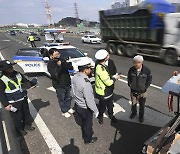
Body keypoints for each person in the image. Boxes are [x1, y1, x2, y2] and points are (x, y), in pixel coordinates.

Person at [0, 60, 35, 136]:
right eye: (9, 67)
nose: (11, 68)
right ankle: (19, 129)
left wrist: (31, 84)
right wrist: (6, 104)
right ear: (4, 70)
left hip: (23, 98)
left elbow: (25, 81)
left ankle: (26, 125)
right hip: (13, 102)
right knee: (17, 117)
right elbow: (1, 93)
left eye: (11, 66)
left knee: (26, 113)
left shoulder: (18, 74)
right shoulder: (2, 79)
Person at [71, 58, 99, 144]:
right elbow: (89, 100)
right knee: (88, 124)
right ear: (86, 69)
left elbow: (72, 90)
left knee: (83, 122)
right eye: (90, 68)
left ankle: (85, 134)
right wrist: (95, 111)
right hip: (85, 108)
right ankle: (88, 139)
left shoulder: (75, 77)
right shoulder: (86, 83)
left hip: (77, 105)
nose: (90, 70)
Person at [95, 49, 120, 125]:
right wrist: (115, 78)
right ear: (105, 58)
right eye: (107, 55)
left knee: (110, 104)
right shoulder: (101, 68)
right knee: (102, 106)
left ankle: (111, 115)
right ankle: (100, 116)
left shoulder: (102, 65)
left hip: (108, 91)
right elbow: (108, 82)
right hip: (104, 91)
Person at [47, 48, 74, 118]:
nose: (58, 55)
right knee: (61, 98)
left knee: (68, 97)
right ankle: (64, 111)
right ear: (51, 56)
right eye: (56, 54)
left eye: (58, 54)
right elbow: (55, 74)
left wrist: (65, 63)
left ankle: (67, 108)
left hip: (67, 82)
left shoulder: (61, 60)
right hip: (59, 84)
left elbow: (71, 67)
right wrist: (59, 66)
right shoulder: (50, 64)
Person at [128, 55, 152, 123]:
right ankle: (134, 113)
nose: (135, 64)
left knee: (142, 105)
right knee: (133, 104)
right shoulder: (131, 69)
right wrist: (130, 85)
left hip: (142, 92)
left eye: (137, 63)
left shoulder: (147, 70)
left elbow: (149, 80)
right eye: (134, 62)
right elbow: (129, 78)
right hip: (133, 91)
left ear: (141, 62)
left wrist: (145, 87)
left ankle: (141, 116)